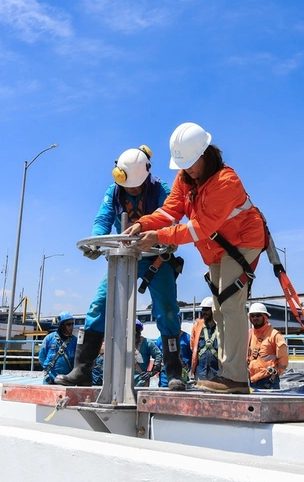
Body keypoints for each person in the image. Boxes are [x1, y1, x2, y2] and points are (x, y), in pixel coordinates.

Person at [127, 122, 267, 394]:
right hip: (217, 248)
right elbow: (170, 211)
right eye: (184, 164)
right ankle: (228, 375)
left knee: (230, 306)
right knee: (219, 309)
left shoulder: (226, 182)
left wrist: (158, 236)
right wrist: (144, 223)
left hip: (242, 242)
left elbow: (199, 228)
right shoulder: (185, 178)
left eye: (191, 163)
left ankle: (236, 378)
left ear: (205, 154)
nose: (187, 169)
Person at [56, 146, 185, 390]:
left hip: (156, 258)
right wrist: (95, 241)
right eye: (128, 186)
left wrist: (163, 237)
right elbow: (103, 219)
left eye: (136, 186)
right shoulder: (113, 192)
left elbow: (171, 216)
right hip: (124, 257)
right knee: (99, 305)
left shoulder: (161, 190)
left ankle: (174, 373)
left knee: (167, 310)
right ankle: (82, 369)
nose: (132, 190)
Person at [247, 302, 289, 390]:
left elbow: (283, 359)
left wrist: (275, 373)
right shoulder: (249, 334)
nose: (255, 318)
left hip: (269, 380)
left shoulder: (275, 335)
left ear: (265, 316)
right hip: (252, 380)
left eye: (258, 315)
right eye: (253, 316)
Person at [38, 312, 77, 384]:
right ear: (61, 325)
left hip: (67, 380)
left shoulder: (75, 341)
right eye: (68, 324)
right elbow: (41, 357)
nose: (71, 327)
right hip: (50, 379)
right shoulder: (49, 338)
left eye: (72, 324)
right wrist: (47, 371)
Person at [190, 296, 220, 382]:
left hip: (217, 371)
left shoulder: (221, 326)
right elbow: (192, 346)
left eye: (206, 309)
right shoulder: (197, 326)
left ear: (213, 310)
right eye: (203, 310)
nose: (204, 312)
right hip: (200, 370)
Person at [134, 320, 162, 387]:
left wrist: (152, 372)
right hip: (124, 381)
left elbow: (158, 355)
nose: (135, 332)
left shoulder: (147, 343)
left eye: (137, 330)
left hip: (141, 382)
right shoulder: (123, 343)